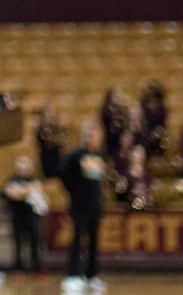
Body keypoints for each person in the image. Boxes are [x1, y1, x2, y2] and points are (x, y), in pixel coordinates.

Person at [59, 120, 106, 295]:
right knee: (77, 239)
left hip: (95, 205)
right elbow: (64, 174)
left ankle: (92, 275)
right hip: (79, 205)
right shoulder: (75, 156)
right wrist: (74, 192)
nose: (92, 137)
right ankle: (72, 275)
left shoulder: (100, 157)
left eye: (95, 134)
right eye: (89, 134)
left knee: (94, 241)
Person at [2, 156, 46, 276]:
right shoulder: (12, 180)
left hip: (32, 216)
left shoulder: (34, 180)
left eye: (25, 167)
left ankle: (36, 267)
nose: (23, 169)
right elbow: (12, 193)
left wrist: (22, 191)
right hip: (17, 215)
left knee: (35, 242)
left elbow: (38, 190)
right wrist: (28, 191)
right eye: (21, 167)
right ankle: (18, 267)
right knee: (17, 242)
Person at [38, 106, 67, 180]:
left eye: (52, 115)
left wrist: (55, 140)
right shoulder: (41, 129)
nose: (50, 118)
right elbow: (48, 143)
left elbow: (62, 142)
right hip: (46, 158)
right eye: (48, 115)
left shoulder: (58, 129)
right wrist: (55, 140)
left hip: (57, 157)